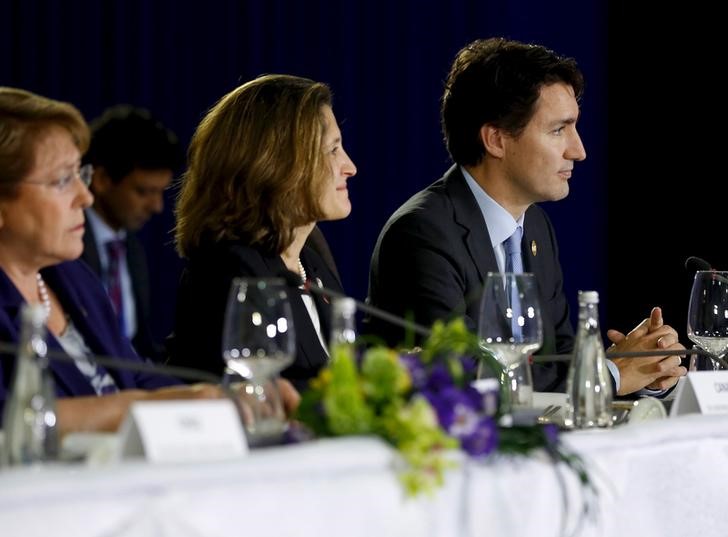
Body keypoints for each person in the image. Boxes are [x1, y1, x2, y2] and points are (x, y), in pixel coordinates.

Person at [368, 38, 686, 395]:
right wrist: (608, 374)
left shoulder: (534, 226)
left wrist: (644, 367)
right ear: (496, 140)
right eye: (558, 130)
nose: (578, 150)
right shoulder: (423, 233)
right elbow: (468, 375)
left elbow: (559, 356)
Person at [0, 87, 298, 434]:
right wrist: (146, 407)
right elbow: (12, 420)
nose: (84, 196)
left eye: (79, 175)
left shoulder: (71, 278)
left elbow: (135, 374)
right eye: (63, 180)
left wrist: (223, 396)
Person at [169, 74, 357, 390]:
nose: (350, 167)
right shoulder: (231, 274)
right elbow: (263, 397)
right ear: (282, 163)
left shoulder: (312, 262)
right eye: (333, 150)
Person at [81, 105, 183, 362]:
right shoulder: (66, 245)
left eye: (160, 192)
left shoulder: (132, 250)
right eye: (143, 192)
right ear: (101, 179)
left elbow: (140, 347)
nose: (157, 206)